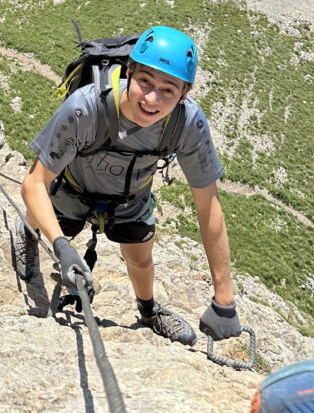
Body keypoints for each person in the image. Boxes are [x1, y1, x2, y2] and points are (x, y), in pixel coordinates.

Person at [16, 25, 242, 345]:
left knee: (141, 260)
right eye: (145, 81)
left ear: (184, 94)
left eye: (168, 89)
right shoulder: (87, 107)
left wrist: (225, 300)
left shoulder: (187, 122)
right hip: (71, 192)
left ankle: (148, 311)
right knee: (41, 216)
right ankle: (26, 233)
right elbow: (35, 182)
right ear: (129, 72)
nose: (151, 99)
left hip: (129, 199)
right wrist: (61, 248)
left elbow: (209, 208)